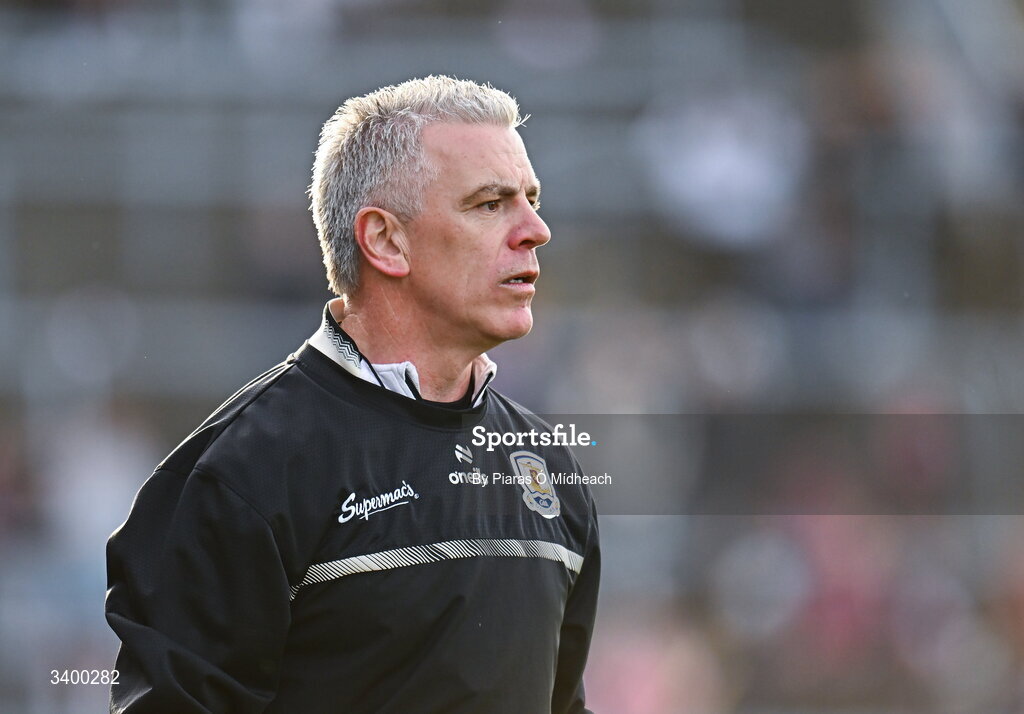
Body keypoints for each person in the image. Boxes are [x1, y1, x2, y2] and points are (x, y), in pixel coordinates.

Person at [105, 75, 600, 713]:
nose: (536, 230)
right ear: (386, 240)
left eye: (530, 200)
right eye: (489, 204)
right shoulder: (240, 476)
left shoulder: (550, 468)